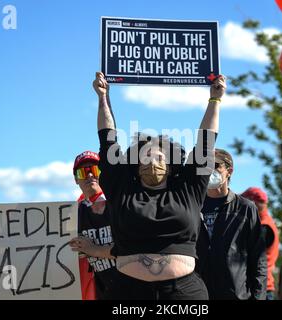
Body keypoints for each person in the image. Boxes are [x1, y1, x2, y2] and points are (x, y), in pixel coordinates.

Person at [92, 71, 225, 300]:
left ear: (172, 166)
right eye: (146, 157)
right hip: (128, 294)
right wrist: (103, 97)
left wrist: (215, 99)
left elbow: (205, 142)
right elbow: (107, 140)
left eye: (160, 158)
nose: (153, 162)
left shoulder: (187, 190)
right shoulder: (122, 189)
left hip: (183, 295)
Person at [196, 148, 267, 300]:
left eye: (215, 166)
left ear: (229, 171)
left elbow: (259, 259)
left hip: (236, 294)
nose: (209, 170)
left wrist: (258, 296)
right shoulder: (193, 206)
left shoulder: (245, 208)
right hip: (199, 295)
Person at [69, 150, 119, 300]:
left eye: (94, 170)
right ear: (76, 180)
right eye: (83, 172)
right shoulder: (73, 215)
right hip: (101, 292)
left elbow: (129, 249)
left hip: (134, 288)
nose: (90, 175)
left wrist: (92, 249)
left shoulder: (118, 202)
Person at [241, 187, 279, 300]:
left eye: (244, 201)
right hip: (262, 286)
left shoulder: (264, 227)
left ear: (254, 203)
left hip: (261, 288)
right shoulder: (264, 223)